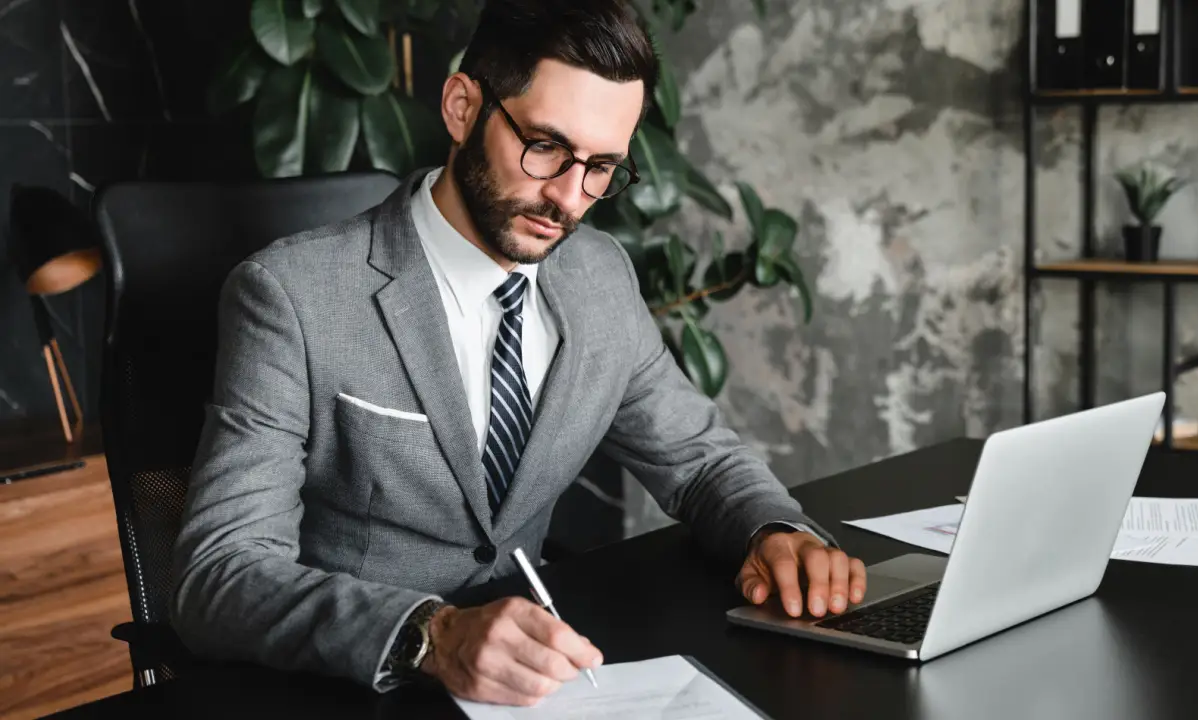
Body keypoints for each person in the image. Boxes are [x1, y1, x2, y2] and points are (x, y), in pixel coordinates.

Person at [170, 0, 867, 708]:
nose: (567, 197)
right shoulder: (292, 295)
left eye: (602, 168)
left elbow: (701, 460)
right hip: (351, 689)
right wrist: (431, 635)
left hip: (531, 686)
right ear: (463, 106)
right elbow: (219, 573)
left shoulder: (598, 277)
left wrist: (775, 531)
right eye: (545, 146)